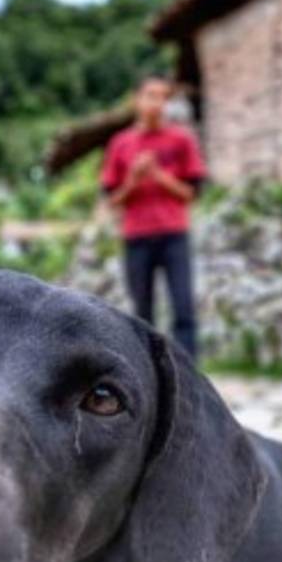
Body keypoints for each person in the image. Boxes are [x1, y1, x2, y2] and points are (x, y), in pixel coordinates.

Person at [101, 74, 206, 358]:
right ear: (137, 99)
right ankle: (147, 377)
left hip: (174, 233)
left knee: (183, 307)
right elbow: (112, 200)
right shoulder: (120, 144)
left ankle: (189, 378)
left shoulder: (181, 140)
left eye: (163, 97)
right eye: (151, 95)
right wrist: (134, 179)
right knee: (142, 311)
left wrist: (158, 175)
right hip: (136, 235)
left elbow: (192, 193)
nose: (157, 103)